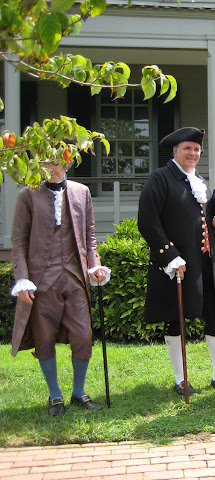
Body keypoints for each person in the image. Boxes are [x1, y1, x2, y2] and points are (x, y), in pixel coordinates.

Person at [138, 127, 215, 395]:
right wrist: (170, 256)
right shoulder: (160, 179)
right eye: (187, 148)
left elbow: (207, 219)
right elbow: (148, 222)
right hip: (178, 264)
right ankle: (180, 378)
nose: (193, 153)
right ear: (175, 151)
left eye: (197, 149)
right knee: (175, 317)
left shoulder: (200, 181)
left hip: (206, 263)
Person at [10, 156, 111, 416]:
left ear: (67, 164)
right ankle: (55, 395)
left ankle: (79, 392)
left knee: (83, 334)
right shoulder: (27, 195)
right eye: (45, 161)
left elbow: (89, 235)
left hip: (75, 276)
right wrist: (22, 279)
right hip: (41, 279)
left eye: (56, 162)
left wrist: (94, 266)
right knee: (44, 337)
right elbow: (19, 241)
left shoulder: (82, 192)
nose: (50, 167)